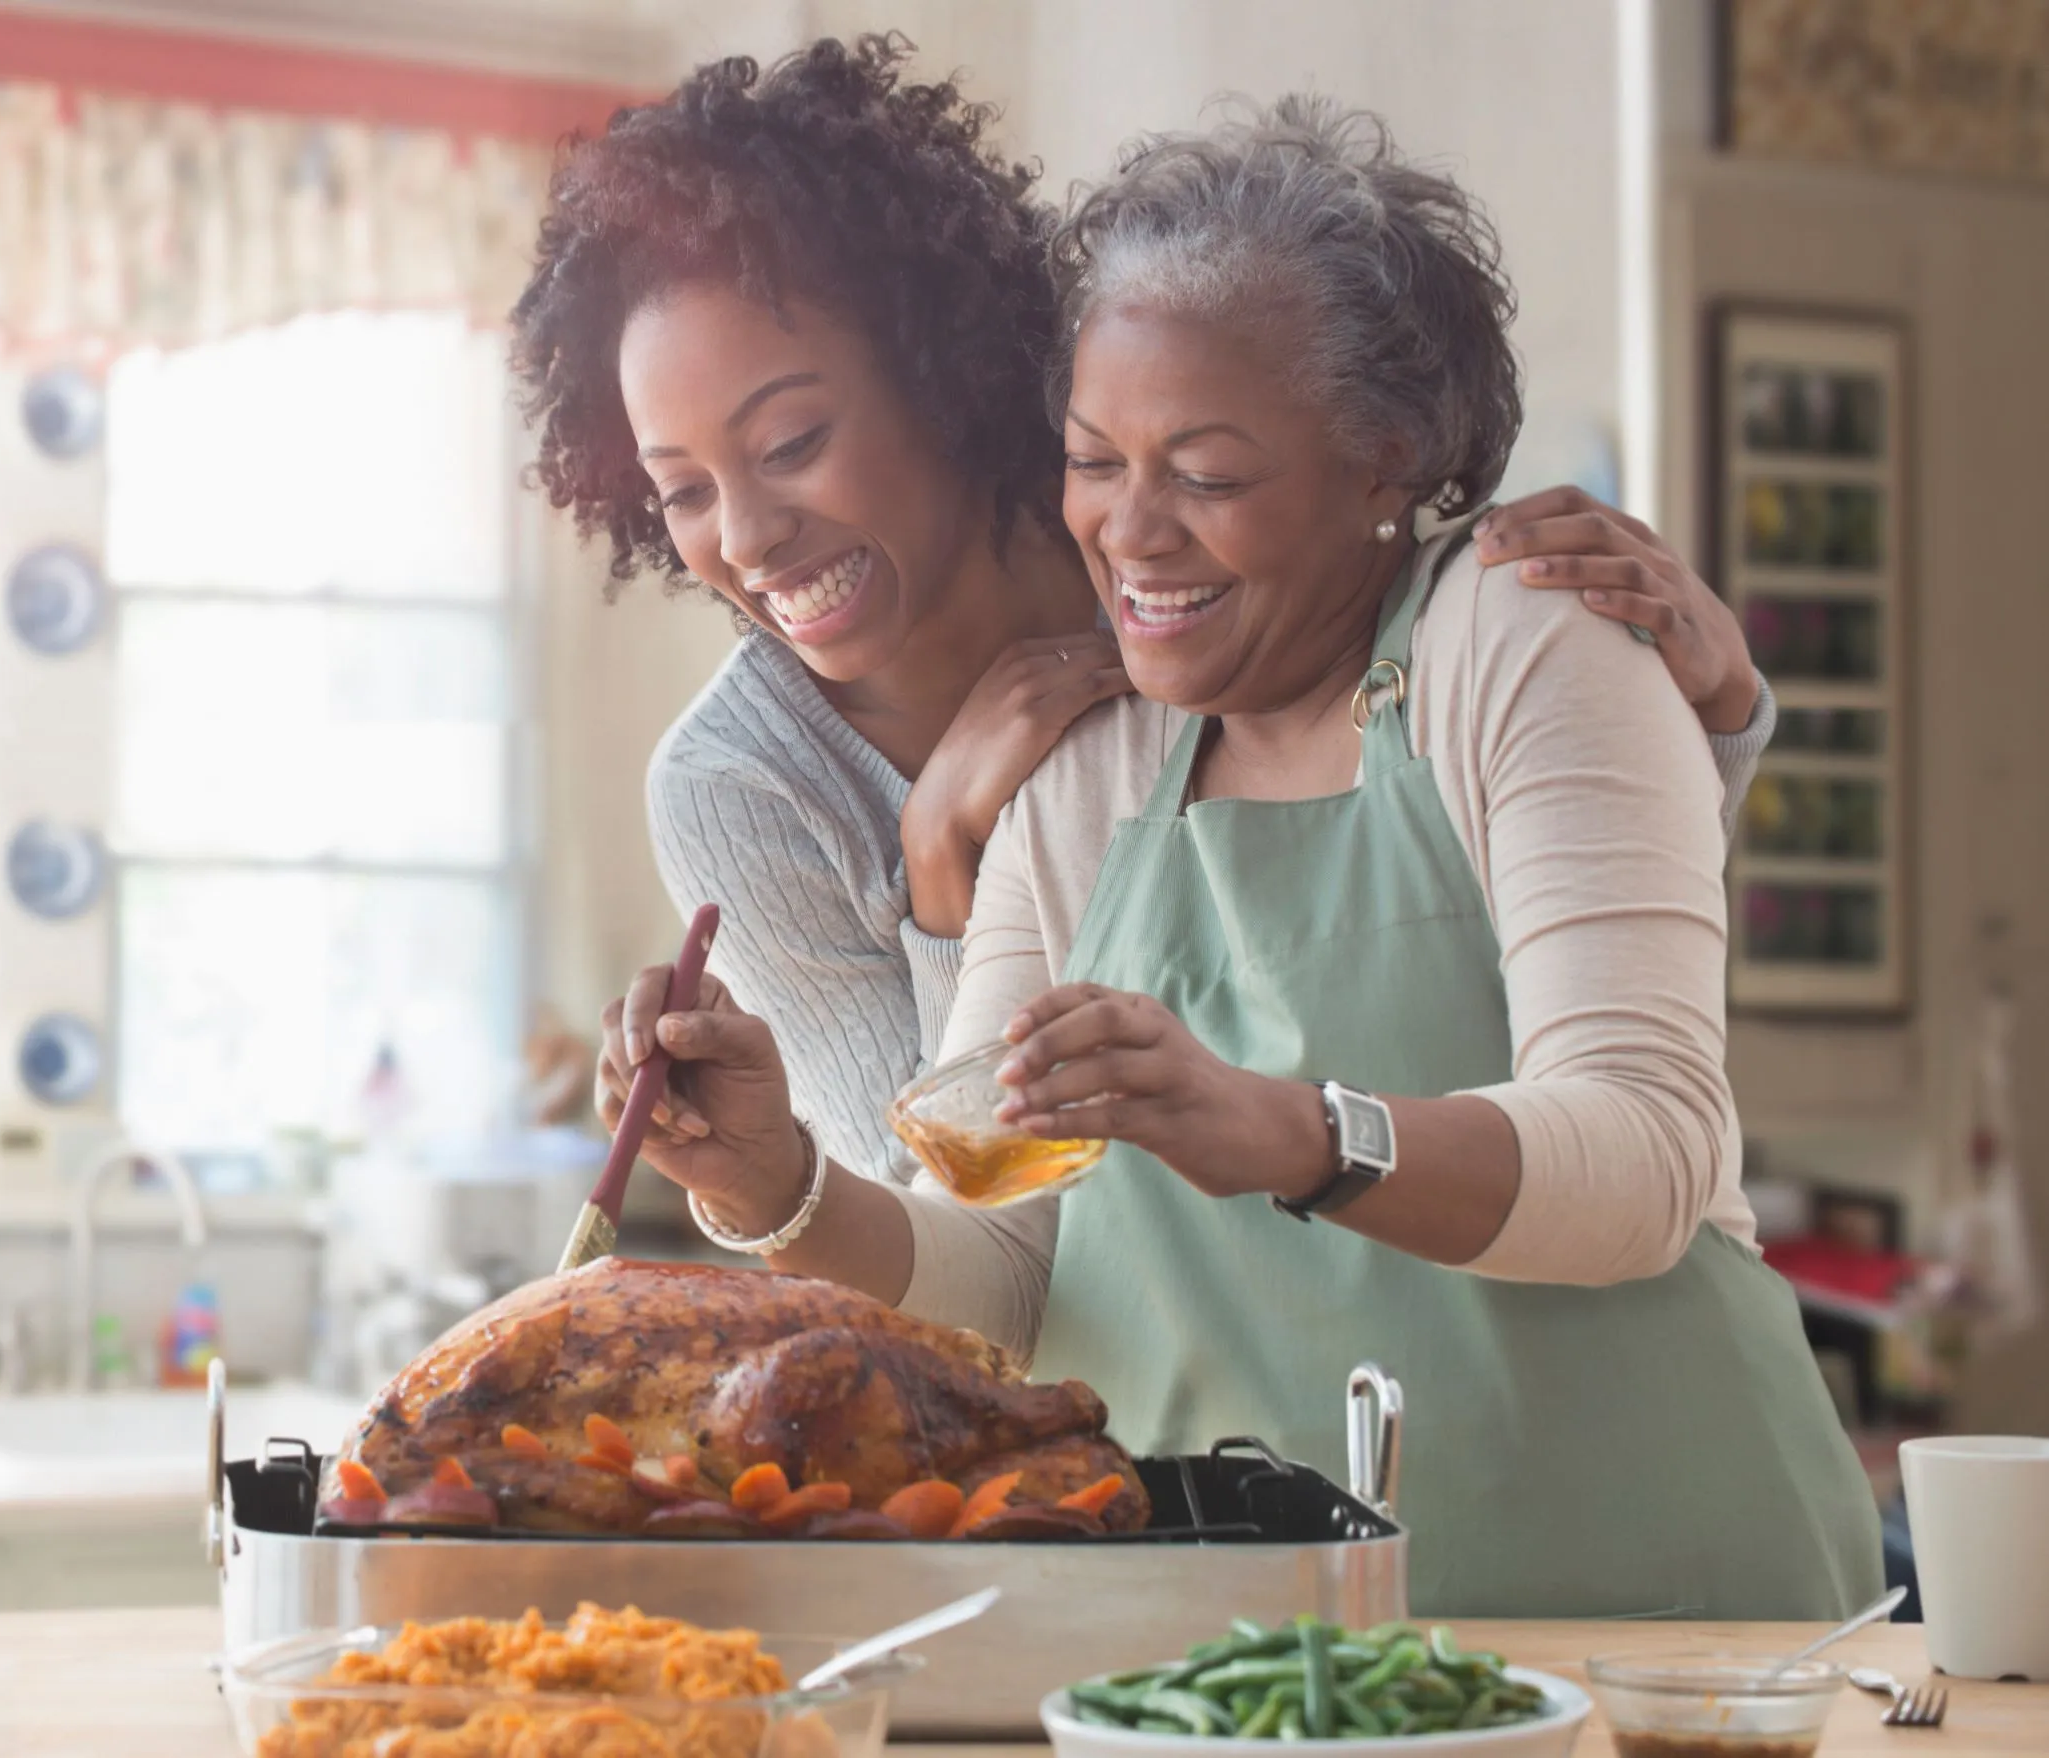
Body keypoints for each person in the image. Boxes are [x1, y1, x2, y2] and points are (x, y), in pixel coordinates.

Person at [594, 97, 1882, 1620]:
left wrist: (1286, 1130)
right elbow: (1007, 1274)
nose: (1131, 534)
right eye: (1092, 460)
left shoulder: (1526, 638)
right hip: (1227, 1646)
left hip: (1645, 1619)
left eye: (1204, 473)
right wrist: (776, 1184)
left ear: (1382, 458)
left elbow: (1647, 1157)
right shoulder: (1079, 770)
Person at [514, 37, 1774, 1192]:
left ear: (940, 370)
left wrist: (1709, 722)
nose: (742, 538)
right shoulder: (744, 786)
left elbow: (1548, 979)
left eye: (791, 441)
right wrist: (940, 875)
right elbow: (953, 1241)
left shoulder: (1216, 591)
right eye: (681, 490)